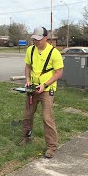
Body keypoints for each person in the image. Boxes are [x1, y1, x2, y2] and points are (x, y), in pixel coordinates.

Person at [18, 26, 64, 159]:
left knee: (47, 118)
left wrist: (45, 85)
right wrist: (27, 79)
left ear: (45, 38)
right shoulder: (30, 50)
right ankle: (26, 138)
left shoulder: (54, 53)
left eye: (38, 39)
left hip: (47, 89)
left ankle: (51, 146)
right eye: (34, 39)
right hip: (32, 88)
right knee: (28, 115)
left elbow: (59, 73)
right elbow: (28, 66)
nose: (36, 42)